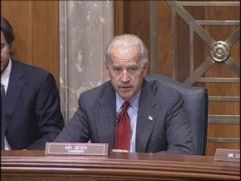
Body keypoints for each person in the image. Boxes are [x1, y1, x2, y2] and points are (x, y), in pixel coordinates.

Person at [55, 34, 193, 154]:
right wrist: (103, 157)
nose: (125, 78)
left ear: (144, 69)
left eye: (132, 69)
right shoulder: (91, 101)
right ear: (107, 70)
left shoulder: (168, 100)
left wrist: (134, 161)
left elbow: (183, 152)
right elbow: (60, 149)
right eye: (117, 69)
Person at [1, 17, 64, 150]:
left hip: (20, 166)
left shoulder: (39, 81)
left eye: (0, 47)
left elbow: (53, 133)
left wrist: (24, 156)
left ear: (10, 47)